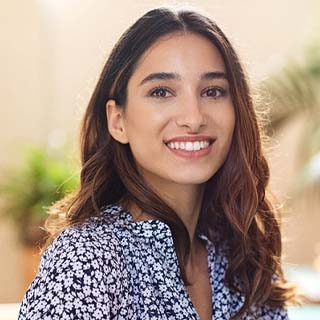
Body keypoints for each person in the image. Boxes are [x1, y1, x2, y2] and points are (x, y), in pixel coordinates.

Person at [18, 6, 298, 320]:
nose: (193, 118)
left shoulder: (244, 256)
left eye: (213, 91)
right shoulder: (87, 258)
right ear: (118, 120)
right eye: (161, 91)